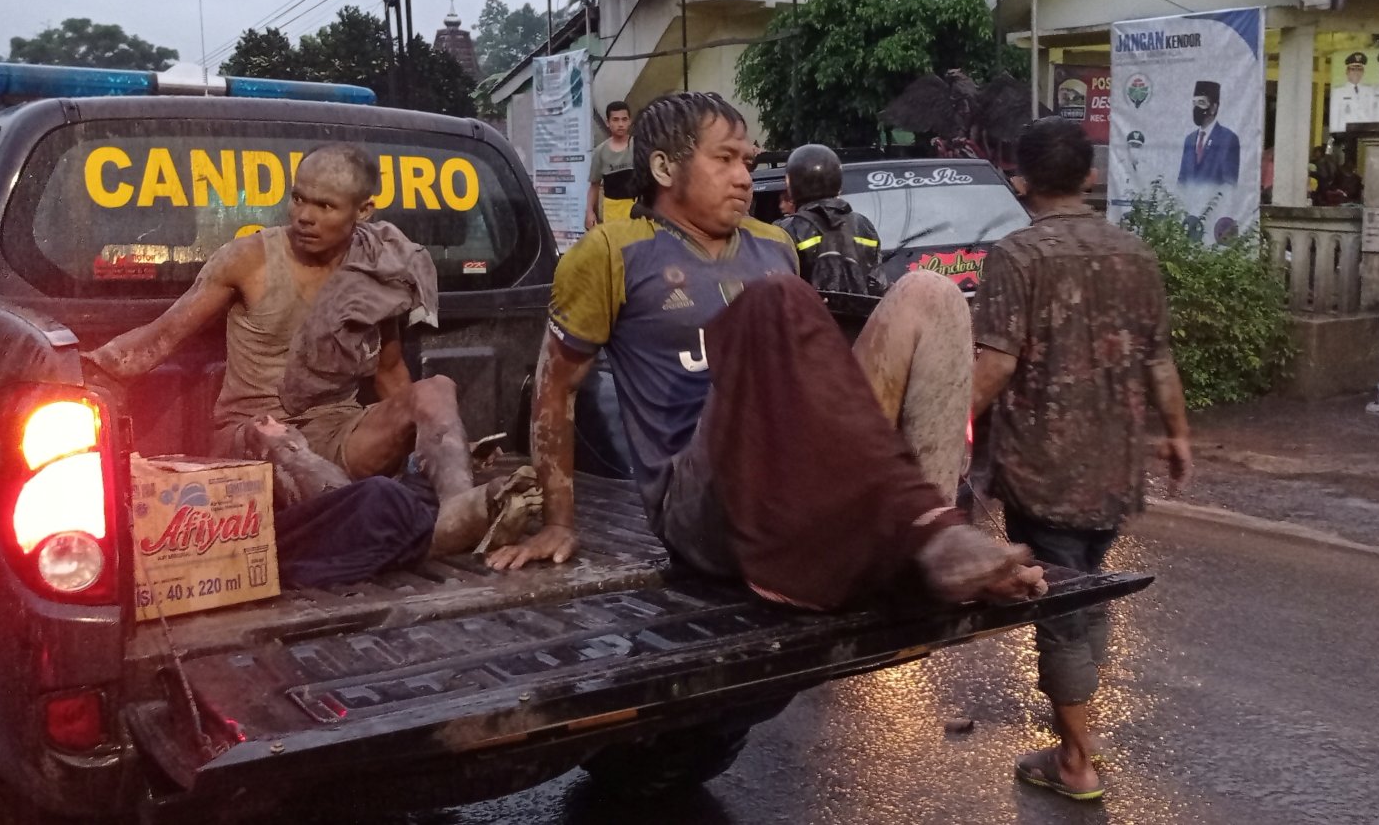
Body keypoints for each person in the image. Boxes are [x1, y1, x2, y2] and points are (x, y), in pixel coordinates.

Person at [486, 91, 1045, 612]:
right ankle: (922, 534)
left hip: (797, 477)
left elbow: (813, 388)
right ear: (663, 168)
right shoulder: (609, 251)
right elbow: (554, 387)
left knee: (933, 294)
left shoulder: (775, 243)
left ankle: (924, 543)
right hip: (702, 504)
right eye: (724, 159)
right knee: (773, 303)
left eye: (748, 163)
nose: (742, 178)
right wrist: (559, 521)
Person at [86, 144, 532, 581]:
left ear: (363, 211)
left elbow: (391, 373)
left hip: (336, 428)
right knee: (275, 435)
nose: (304, 215)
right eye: (299, 198)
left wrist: (427, 448)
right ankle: (418, 535)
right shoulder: (251, 259)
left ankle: (461, 511)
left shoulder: (378, 268)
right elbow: (158, 339)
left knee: (436, 388)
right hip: (254, 435)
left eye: (325, 205)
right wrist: (84, 371)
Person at [971, 118, 1192, 802]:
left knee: (1061, 606)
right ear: (1090, 176)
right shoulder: (1135, 254)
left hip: (1045, 471)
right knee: (1089, 585)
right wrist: (1178, 435)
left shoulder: (1015, 257)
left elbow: (996, 364)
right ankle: (1077, 727)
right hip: (1116, 465)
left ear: (1022, 181)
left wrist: (948, 426)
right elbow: (1158, 358)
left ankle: (1075, 761)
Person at [774, 143, 888, 296]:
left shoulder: (785, 230)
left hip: (811, 317)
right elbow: (878, 285)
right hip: (860, 318)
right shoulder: (863, 225)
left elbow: (779, 293)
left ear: (790, 185)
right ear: (839, 183)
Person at [1176, 80, 1240, 186]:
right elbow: (1182, 179)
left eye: (1201, 103)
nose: (1196, 108)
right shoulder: (1190, 139)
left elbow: (1229, 183)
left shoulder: (1227, 138)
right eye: (1194, 103)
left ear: (1213, 108)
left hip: (1213, 201)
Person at [585, 100, 635, 229]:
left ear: (630, 121)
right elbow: (594, 186)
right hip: (613, 212)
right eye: (616, 120)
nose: (620, 124)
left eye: (624, 119)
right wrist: (590, 212)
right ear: (608, 122)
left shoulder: (640, 146)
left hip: (638, 210)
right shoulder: (600, 152)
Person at [1328, 51, 1377, 134]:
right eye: (1353, 69)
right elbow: (1335, 118)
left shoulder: (1370, 91)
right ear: (1347, 72)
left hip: (1365, 135)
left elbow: (1374, 116)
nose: (1356, 73)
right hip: (1345, 135)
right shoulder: (1338, 93)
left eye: (1359, 69)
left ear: (1363, 72)